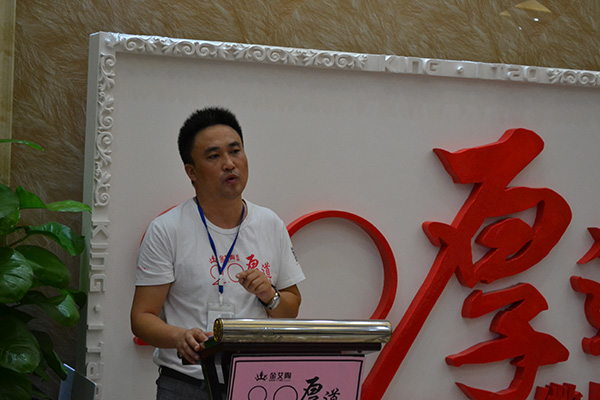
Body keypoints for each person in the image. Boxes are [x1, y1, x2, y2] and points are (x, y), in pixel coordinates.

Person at [130, 107, 305, 400]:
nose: (229, 164)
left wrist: (269, 295)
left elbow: (291, 307)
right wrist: (178, 336)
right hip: (186, 385)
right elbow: (141, 317)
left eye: (235, 151)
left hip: (255, 383)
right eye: (214, 156)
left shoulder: (269, 224)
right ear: (191, 172)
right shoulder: (167, 229)